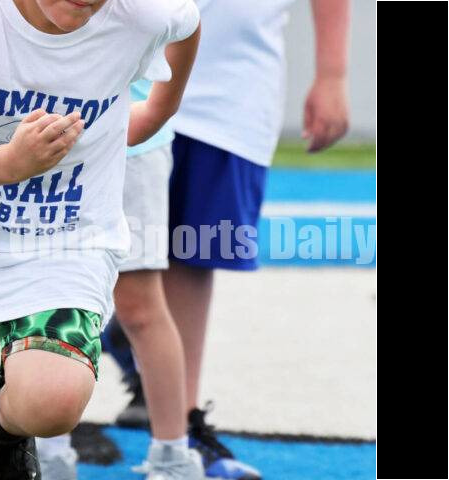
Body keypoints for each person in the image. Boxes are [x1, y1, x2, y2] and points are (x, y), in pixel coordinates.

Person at [0, 0, 201, 479]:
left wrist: (158, 109)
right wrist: (12, 163)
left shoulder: (142, 12)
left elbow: (188, 24)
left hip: (64, 237)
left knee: (54, 400)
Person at [109, 1, 351, 478]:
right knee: (70, 237)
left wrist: (333, 74)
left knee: (196, 249)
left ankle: (180, 428)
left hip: (232, 83)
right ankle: (37, 418)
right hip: (126, 63)